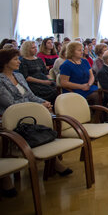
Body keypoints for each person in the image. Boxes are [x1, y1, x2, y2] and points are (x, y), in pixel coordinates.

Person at [0, 48, 72, 197]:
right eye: (15, 59)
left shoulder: (19, 76)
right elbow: (10, 103)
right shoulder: (0, 80)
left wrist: (43, 102)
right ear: (5, 63)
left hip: (29, 112)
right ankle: (6, 177)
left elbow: (31, 95)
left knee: (47, 120)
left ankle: (52, 161)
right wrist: (37, 106)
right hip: (10, 116)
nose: (19, 61)